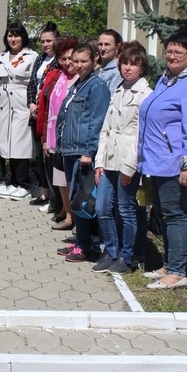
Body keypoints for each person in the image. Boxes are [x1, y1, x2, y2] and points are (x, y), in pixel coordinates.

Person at [138, 30, 187, 288]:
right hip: (157, 160)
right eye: (169, 51)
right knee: (163, 212)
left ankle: (178, 272)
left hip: (174, 163)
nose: (171, 56)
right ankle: (169, 264)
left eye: (178, 52)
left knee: (175, 214)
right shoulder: (167, 79)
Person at [92, 42, 153, 274]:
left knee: (126, 210)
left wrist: (130, 166)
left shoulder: (146, 94)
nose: (128, 68)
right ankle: (111, 252)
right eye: (125, 63)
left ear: (142, 67)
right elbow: (105, 129)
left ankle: (127, 258)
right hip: (109, 159)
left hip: (128, 160)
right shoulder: (118, 91)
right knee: (102, 208)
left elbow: (142, 135)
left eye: (133, 64)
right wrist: (99, 162)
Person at [55, 42, 111, 262]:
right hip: (70, 150)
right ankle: (81, 240)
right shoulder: (79, 83)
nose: (78, 65)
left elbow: (97, 122)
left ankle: (86, 247)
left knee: (84, 200)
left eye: (83, 61)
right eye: (75, 61)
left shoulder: (97, 86)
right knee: (75, 200)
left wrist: (89, 151)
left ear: (94, 59)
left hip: (82, 153)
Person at [0, 23, 38, 200]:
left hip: (21, 103)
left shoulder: (31, 56)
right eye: (10, 35)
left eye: (17, 35)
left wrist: (33, 103)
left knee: (21, 144)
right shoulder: (1, 57)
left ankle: (24, 184)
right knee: (7, 144)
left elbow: (35, 82)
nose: (13, 39)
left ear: (23, 37)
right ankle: (13, 182)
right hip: (4, 104)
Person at [42, 38, 79, 231]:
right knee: (60, 179)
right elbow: (48, 109)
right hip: (56, 137)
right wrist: (46, 140)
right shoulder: (59, 77)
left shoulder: (82, 79)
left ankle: (73, 215)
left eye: (70, 58)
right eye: (63, 58)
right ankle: (67, 211)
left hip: (74, 138)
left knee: (71, 180)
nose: (67, 62)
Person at [27, 22, 61, 209]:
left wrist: (42, 106)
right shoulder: (40, 59)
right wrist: (31, 103)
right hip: (35, 114)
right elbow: (32, 83)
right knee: (40, 155)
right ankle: (44, 192)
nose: (45, 44)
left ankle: (54, 197)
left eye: (49, 41)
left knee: (49, 156)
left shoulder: (60, 60)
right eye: (42, 41)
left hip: (49, 113)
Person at [97, 29, 123, 94]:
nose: (102, 48)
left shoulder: (117, 72)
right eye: (100, 44)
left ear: (117, 47)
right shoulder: (99, 70)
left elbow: (111, 97)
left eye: (107, 44)